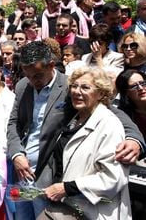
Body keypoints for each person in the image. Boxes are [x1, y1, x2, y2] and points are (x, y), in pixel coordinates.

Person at [7, 41, 144, 219]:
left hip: (47, 179)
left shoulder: (72, 86)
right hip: (21, 173)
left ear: (50, 65)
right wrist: (17, 154)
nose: (33, 81)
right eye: (28, 75)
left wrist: (134, 139)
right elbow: (13, 123)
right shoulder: (23, 85)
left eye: (38, 75)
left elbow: (111, 112)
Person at [43, 67, 131, 219]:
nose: (77, 91)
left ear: (101, 94)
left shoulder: (109, 125)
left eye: (85, 87)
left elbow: (113, 178)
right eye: (74, 86)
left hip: (93, 212)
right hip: (66, 206)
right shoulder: (75, 118)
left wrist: (67, 188)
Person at [116, 70, 146, 138]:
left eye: (143, 83)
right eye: (134, 86)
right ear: (126, 93)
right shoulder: (124, 116)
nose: (140, 88)